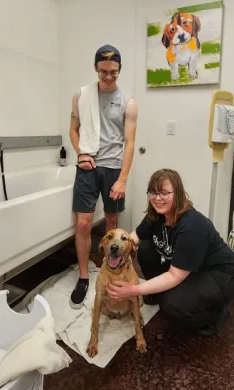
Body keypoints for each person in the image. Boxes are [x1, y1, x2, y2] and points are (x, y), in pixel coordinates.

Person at [107, 169, 234, 336]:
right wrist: (116, 250)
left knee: (172, 304)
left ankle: (216, 316)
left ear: (177, 194)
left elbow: (174, 276)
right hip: (188, 267)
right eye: (153, 192)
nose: (157, 198)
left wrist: (135, 289)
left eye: (164, 193)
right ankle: (158, 293)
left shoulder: (192, 226)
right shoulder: (156, 215)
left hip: (218, 275)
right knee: (146, 248)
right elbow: (134, 237)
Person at [69, 45, 138, 309]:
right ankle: (84, 276)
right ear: (95, 68)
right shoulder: (81, 95)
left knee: (112, 223)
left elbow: (130, 143)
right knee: (84, 223)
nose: (108, 77)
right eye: (103, 72)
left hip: (113, 168)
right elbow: (73, 129)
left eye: (114, 72)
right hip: (87, 167)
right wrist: (80, 153)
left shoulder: (128, 102)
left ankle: (112, 272)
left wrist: (122, 179)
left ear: (120, 70)